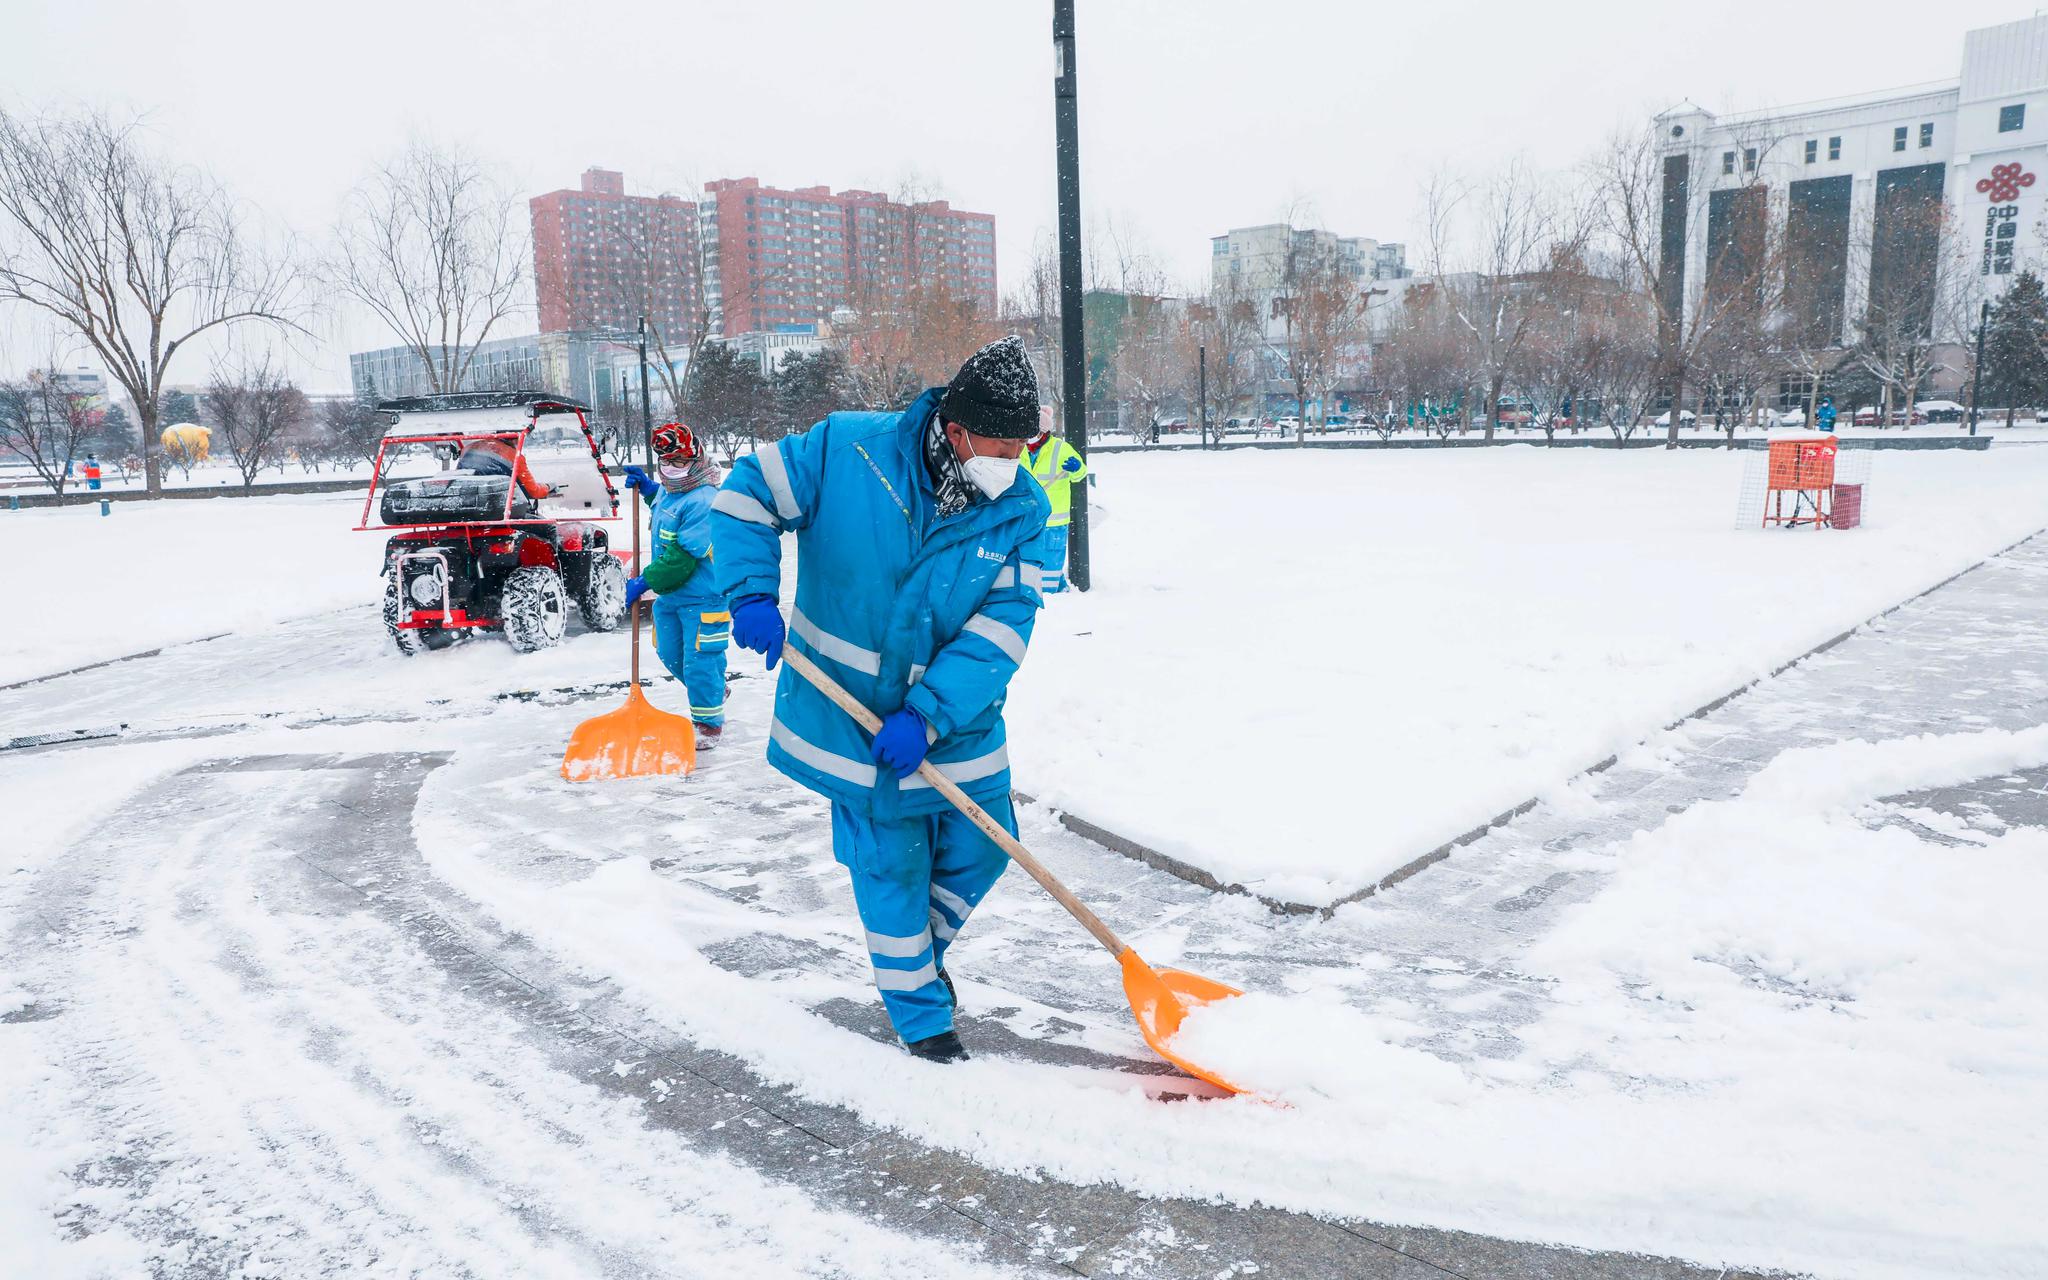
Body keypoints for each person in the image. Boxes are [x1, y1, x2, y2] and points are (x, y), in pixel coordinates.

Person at [711, 336, 1051, 1064]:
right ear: (956, 432)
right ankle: (924, 1021)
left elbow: (1002, 630)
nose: (1012, 462)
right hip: (853, 720)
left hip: (955, 723)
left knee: (986, 847)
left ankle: (916, 964)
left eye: (1022, 447)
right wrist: (749, 592)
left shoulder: (1021, 509)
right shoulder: (848, 452)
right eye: (1000, 444)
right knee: (890, 868)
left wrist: (930, 715)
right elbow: (742, 497)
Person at [620, 424, 729, 745]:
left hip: (704, 598)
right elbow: (664, 507)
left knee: (700, 661)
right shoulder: (671, 488)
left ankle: (708, 726)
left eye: (679, 461)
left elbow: (682, 559)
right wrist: (648, 488)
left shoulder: (705, 499)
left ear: (695, 458)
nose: (671, 467)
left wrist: (643, 583)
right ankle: (715, 688)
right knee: (668, 652)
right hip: (671, 597)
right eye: (665, 461)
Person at [1022, 408, 1088, 594]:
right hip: (1030, 519)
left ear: (1044, 432)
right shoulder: (1020, 449)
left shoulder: (1060, 448)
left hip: (1055, 521)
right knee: (1032, 559)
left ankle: (1050, 595)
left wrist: (1076, 468)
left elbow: (1080, 474)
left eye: (1033, 431)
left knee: (1051, 559)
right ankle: (1059, 588)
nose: (1029, 436)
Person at [456, 433, 550, 501]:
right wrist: (547, 487)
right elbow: (533, 491)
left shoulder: (468, 448)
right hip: (497, 509)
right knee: (550, 528)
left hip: (465, 505)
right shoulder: (514, 456)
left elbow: (459, 476)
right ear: (516, 438)